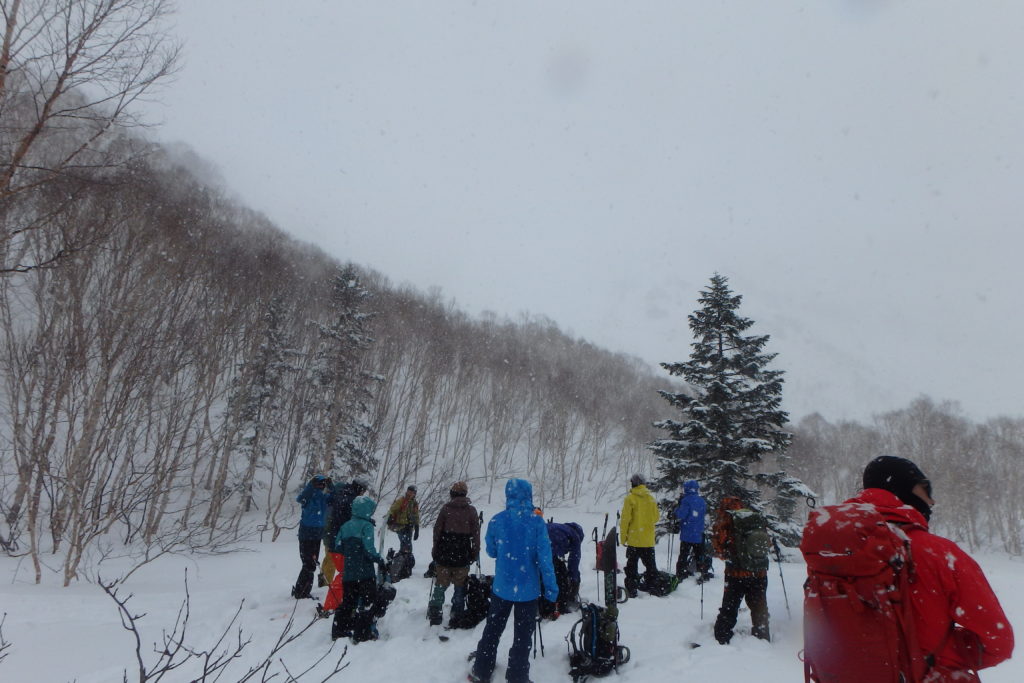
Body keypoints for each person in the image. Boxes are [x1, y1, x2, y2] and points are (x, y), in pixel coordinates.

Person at [843, 456, 1013, 679]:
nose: (930, 502)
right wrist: (949, 651)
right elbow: (998, 642)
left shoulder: (836, 549)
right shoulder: (938, 554)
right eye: (924, 492)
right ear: (906, 493)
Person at [468, 479, 558, 683]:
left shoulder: (497, 520)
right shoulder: (537, 522)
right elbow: (545, 560)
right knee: (523, 636)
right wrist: (552, 591)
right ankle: (517, 676)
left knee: (493, 628)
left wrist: (506, 549)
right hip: (528, 590)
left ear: (508, 495)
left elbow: (491, 551)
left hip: (502, 587)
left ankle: (481, 670)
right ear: (529, 496)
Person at [711, 495, 770, 644]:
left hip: (736, 573)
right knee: (759, 605)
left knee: (730, 606)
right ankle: (762, 634)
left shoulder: (726, 520)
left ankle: (722, 636)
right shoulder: (753, 517)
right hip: (759, 571)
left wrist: (726, 554)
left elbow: (718, 546)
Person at [332, 494, 387, 643]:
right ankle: (363, 633)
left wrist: (351, 555)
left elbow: (337, 547)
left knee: (348, 602)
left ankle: (340, 631)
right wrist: (380, 559)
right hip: (365, 573)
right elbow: (369, 550)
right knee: (368, 603)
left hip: (349, 573)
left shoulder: (345, 526)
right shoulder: (366, 526)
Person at [429, 481, 481, 627]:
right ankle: (457, 613)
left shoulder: (446, 509)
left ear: (452, 493)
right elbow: (476, 534)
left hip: (444, 553)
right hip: (462, 554)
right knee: (460, 586)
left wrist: (435, 550)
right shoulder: (471, 511)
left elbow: (437, 531)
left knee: (440, 584)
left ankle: (435, 612)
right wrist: (474, 552)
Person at [320, 477, 368, 586]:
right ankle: (325, 584)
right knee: (332, 558)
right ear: (359, 488)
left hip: (331, 530)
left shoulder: (345, 492)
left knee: (330, 557)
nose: (363, 493)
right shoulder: (349, 498)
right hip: (334, 532)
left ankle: (324, 580)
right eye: (363, 490)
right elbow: (347, 517)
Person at [291, 474, 332, 599]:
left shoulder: (324, 498)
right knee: (308, 564)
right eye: (318, 484)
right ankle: (301, 592)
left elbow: (334, 497)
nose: (321, 486)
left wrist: (331, 486)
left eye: (322, 484)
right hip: (306, 534)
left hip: (317, 535)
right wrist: (311, 486)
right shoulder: (308, 496)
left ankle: (302, 590)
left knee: (312, 564)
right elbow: (300, 498)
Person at [620, 473, 659, 598]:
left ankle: (632, 589)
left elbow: (625, 520)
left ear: (633, 483)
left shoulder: (630, 499)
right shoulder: (651, 498)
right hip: (648, 540)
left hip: (634, 539)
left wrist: (623, 537)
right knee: (651, 566)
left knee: (632, 566)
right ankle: (653, 587)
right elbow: (656, 518)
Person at [539, 521, 585, 619]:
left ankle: (539, 604)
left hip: (536, 547)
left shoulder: (560, 528)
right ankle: (558, 606)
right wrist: (574, 580)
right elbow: (574, 563)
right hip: (550, 552)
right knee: (559, 579)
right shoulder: (575, 536)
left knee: (541, 576)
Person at [674, 480, 708, 581]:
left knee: (684, 554)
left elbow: (681, 514)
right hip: (699, 532)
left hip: (688, 533)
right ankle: (701, 571)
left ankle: (681, 573)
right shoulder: (701, 501)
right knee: (699, 554)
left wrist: (676, 510)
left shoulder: (686, 500)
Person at [387, 485, 420, 555]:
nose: (410, 494)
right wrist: (390, 516)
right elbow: (393, 509)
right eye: (409, 492)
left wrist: (417, 527)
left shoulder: (414, 503)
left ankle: (405, 557)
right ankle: (404, 556)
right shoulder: (402, 500)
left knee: (407, 543)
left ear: (415, 494)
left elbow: (416, 515)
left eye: (412, 492)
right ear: (407, 491)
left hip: (409, 527)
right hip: (401, 526)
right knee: (405, 543)